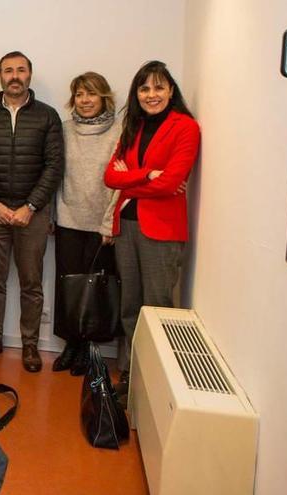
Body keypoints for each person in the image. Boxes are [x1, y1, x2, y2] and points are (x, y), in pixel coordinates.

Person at [104, 60, 200, 400]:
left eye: (159, 87)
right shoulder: (132, 125)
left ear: (171, 90)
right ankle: (129, 376)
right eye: (145, 88)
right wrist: (148, 175)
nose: (151, 94)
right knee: (130, 306)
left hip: (162, 232)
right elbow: (110, 177)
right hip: (126, 227)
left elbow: (172, 181)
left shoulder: (185, 127)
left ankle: (156, 387)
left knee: (157, 308)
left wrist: (132, 178)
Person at [0, 51, 64, 371]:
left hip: (33, 213)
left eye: (20, 70)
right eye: (8, 70)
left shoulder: (48, 116)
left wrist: (31, 206)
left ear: (29, 74)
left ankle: (30, 345)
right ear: (0, 76)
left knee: (31, 283)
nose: (14, 75)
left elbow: (54, 166)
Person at [52, 72, 122, 375]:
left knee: (96, 288)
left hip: (101, 226)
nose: (85, 100)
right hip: (68, 218)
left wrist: (109, 223)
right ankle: (72, 345)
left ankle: (90, 349)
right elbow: (55, 173)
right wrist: (54, 215)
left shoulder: (120, 131)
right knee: (68, 285)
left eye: (91, 94)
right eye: (79, 94)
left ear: (103, 97)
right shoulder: (64, 130)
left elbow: (121, 183)